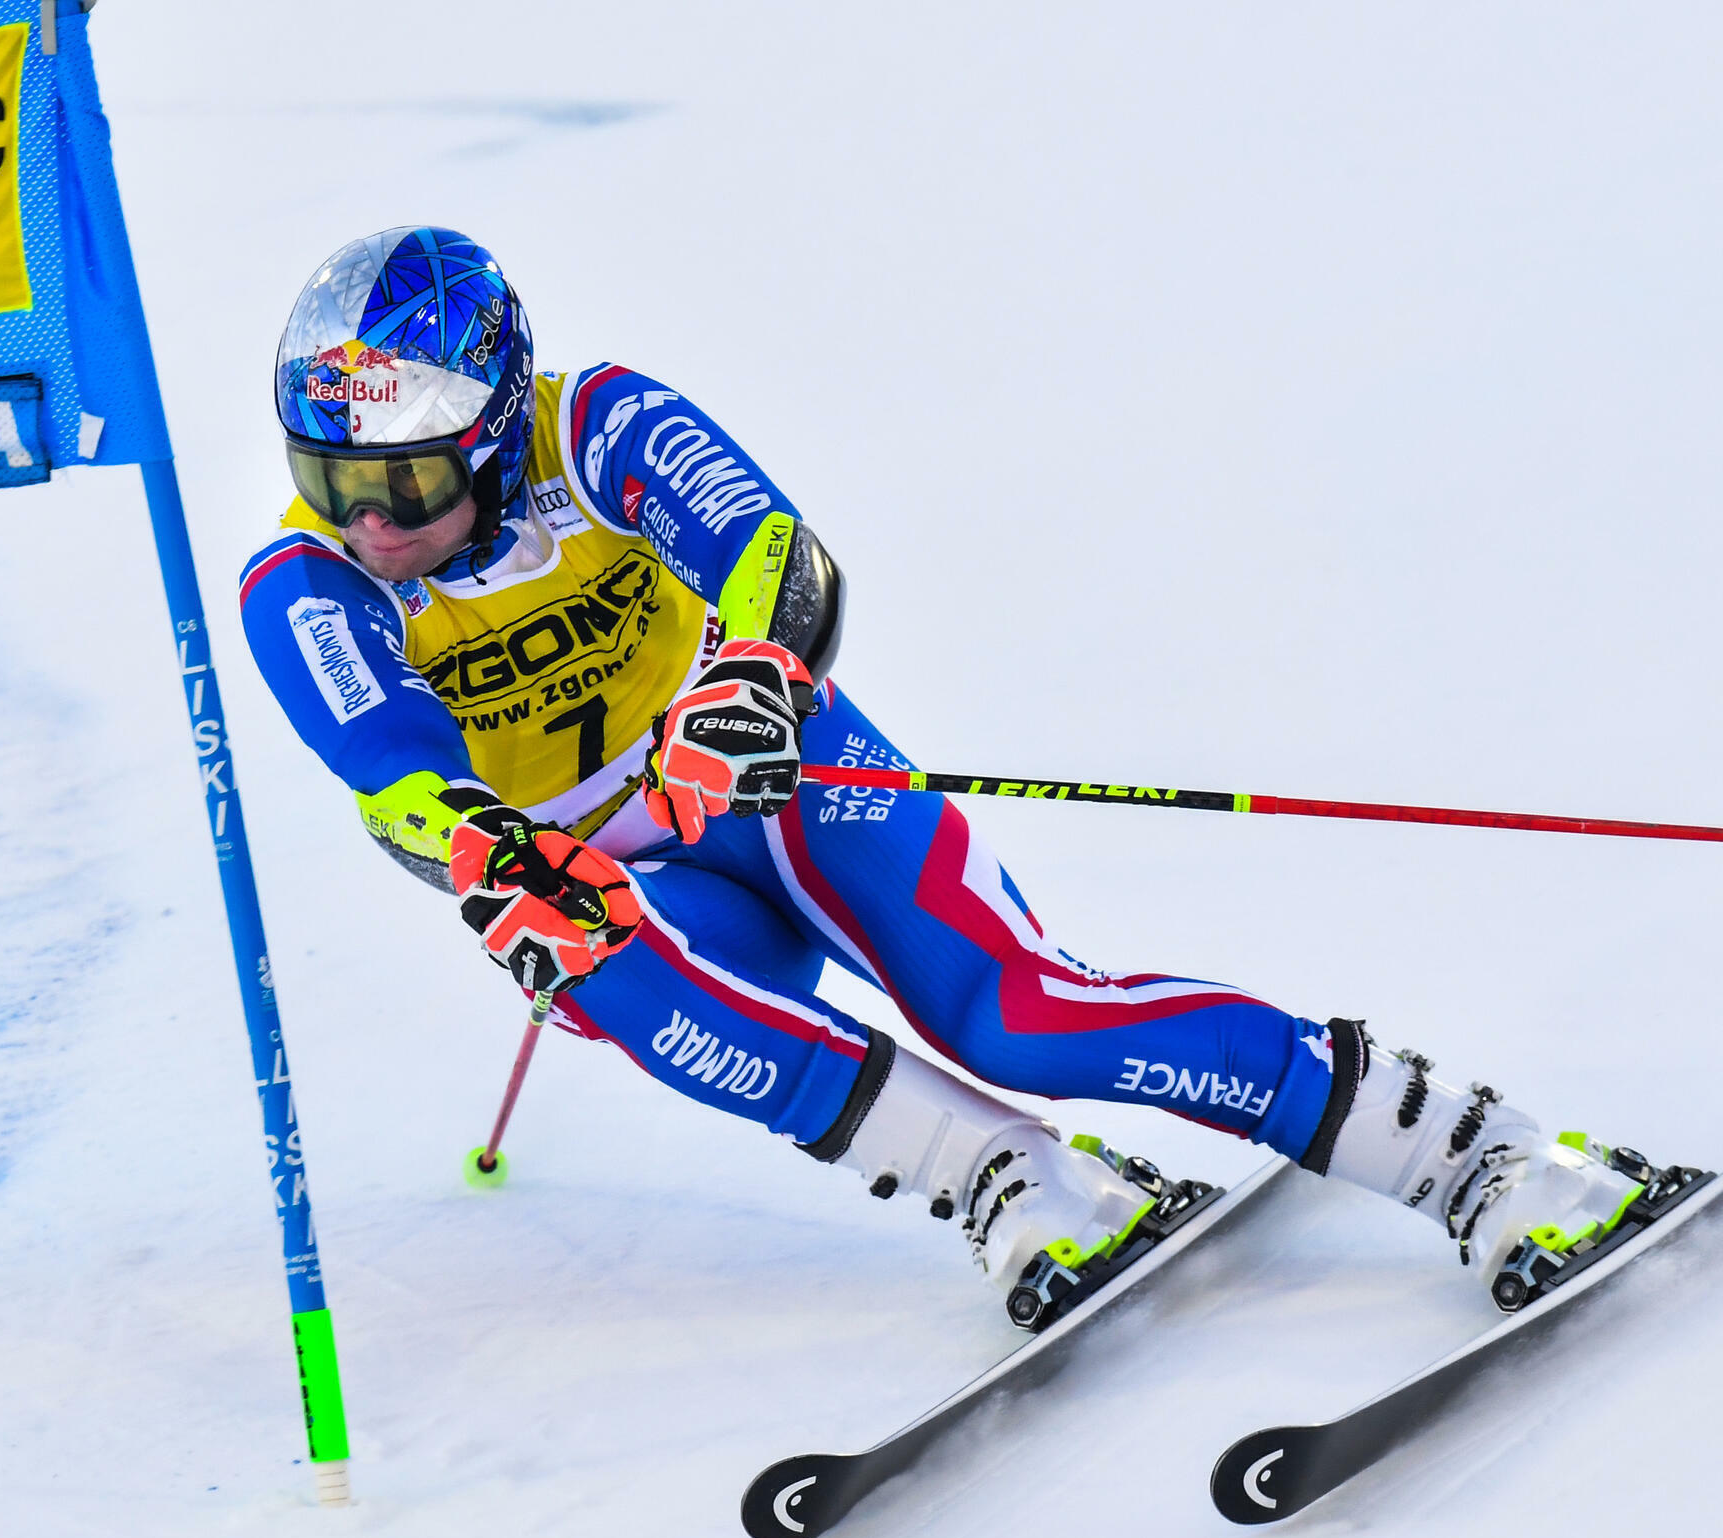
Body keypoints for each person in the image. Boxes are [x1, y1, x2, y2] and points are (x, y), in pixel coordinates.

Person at [238, 225, 1667, 1325]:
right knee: (602, 957)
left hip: (768, 781)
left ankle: (1481, 1156)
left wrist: (747, 678)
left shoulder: (591, 423)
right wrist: (496, 858)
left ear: (490, 434)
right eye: (330, 478)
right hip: (635, 867)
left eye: (411, 485)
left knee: (1020, 1013)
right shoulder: (300, 586)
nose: (370, 521)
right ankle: (1010, 1178)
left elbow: (774, 554)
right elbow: (388, 765)